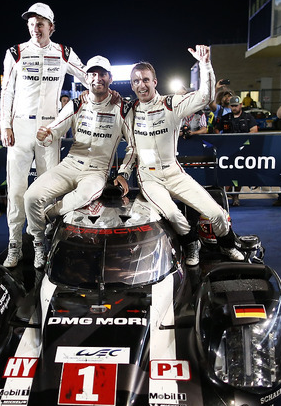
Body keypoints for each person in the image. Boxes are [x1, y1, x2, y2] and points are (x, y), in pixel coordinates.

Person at [115, 49, 246, 266]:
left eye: (146, 79)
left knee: (217, 213)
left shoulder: (171, 103)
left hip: (173, 172)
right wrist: (123, 173)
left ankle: (227, 244)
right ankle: (191, 243)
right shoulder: (130, 112)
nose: (142, 85)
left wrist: (205, 64)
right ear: (132, 85)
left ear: (154, 81)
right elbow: (132, 149)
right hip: (149, 178)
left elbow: (205, 97)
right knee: (173, 214)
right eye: (136, 81)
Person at [0, 2, 89, 268]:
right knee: (16, 191)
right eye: (31, 24)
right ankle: (14, 245)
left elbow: (87, 76)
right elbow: (7, 92)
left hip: (50, 130)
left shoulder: (64, 52)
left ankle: (42, 242)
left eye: (40, 23)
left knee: (48, 191)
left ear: (51, 26)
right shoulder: (15, 52)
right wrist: (5, 124)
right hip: (20, 128)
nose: (35, 28)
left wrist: (100, 86)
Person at [24, 56, 134, 269]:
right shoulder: (77, 103)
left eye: (102, 74)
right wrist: (44, 136)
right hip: (70, 164)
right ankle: (38, 244)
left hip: (97, 170)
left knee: (84, 196)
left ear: (110, 78)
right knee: (31, 196)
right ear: (86, 77)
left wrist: (124, 172)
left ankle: (48, 217)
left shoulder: (122, 107)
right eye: (93, 74)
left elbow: (133, 146)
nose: (97, 79)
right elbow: (54, 131)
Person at [217, 95, 258, 206]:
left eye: (236, 105)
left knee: (239, 174)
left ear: (240, 105)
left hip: (242, 150)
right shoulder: (226, 118)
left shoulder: (248, 117)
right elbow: (216, 129)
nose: (234, 108)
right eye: (232, 106)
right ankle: (226, 195)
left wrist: (242, 139)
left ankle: (236, 196)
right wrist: (221, 139)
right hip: (227, 150)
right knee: (227, 174)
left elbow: (254, 130)